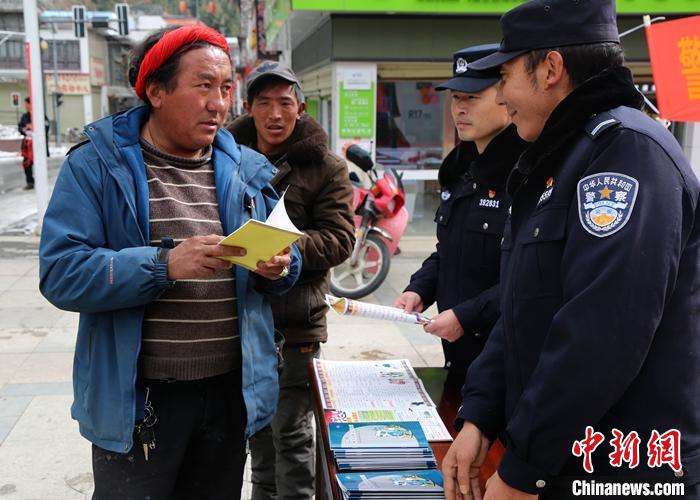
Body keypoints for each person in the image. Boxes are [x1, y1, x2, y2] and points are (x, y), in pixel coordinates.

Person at [441, 1, 700, 499]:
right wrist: (479, 417)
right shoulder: (557, 159)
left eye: (507, 74)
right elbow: (521, 310)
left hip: (621, 475)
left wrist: (523, 470)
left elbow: (600, 335)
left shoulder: (626, 155)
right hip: (560, 463)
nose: (502, 94)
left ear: (552, 69)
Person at [39, 25, 301, 499]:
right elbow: (61, 273)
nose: (219, 103)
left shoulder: (245, 169)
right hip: (140, 402)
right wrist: (163, 266)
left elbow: (286, 260)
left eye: (225, 88)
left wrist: (279, 266)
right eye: (203, 86)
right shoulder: (97, 166)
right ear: (155, 91)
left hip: (228, 395)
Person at [227, 61, 355, 500]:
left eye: (285, 102)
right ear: (249, 108)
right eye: (264, 102)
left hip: (295, 325)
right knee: (258, 439)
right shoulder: (224, 159)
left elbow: (340, 239)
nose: (275, 113)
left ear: (300, 108)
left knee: (295, 441)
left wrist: (285, 247)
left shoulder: (326, 167)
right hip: (241, 321)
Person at [394, 44, 527, 390]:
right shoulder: (460, 170)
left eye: (472, 97)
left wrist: (467, 317)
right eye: (455, 98)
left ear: (506, 97)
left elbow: (530, 276)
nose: (460, 109)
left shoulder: (527, 173)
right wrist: (420, 289)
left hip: (507, 363)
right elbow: (449, 251)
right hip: (459, 357)